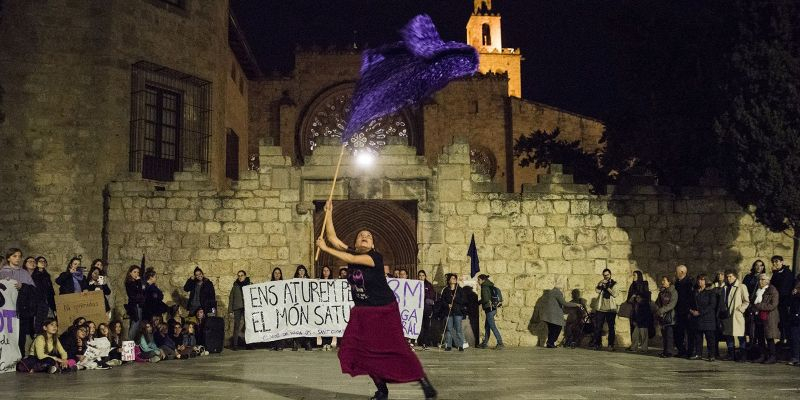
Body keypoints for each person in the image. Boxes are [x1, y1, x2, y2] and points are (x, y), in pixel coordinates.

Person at [316, 200, 437, 400]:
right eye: (361, 235)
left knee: (397, 349)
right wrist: (329, 213)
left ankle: (422, 380)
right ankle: (381, 390)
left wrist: (325, 249)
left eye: (368, 236)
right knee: (362, 353)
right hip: (362, 312)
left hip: (384, 311)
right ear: (355, 243)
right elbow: (333, 237)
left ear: (372, 244)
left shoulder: (375, 258)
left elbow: (351, 259)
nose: (364, 236)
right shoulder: (353, 252)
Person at [1, 248, 40, 355]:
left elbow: (34, 291)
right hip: (6, 311)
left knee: (20, 335)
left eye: (19, 256)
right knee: (7, 334)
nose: (18, 258)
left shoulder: (24, 273)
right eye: (14, 256)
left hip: (21, 310)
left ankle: (20, 357)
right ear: (8, 258)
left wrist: (23, 286)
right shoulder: (2, 272)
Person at [721, 269, 750, 362]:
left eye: (730, 276)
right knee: (729, 335)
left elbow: (747, 301)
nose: (728, 278)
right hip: (727, 315)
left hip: (737, 315)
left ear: (735, 277)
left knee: (740, 336)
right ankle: (731, 354)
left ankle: (743, 355)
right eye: (727, 276)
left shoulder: (741, 286)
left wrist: (740, 309)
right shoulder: (724, 287)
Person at [751, 273, 780, 364]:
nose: (760, 281)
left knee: (769, 337)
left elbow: (773, 305)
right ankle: (763, 355)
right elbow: (753, 302)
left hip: (769, 317)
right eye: (759, 279)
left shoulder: (773, 290)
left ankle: (772, 356)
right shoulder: (758, 290)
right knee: (760, 336)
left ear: (768, 280)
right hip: (758, 316)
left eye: (763, 279)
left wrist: (759, 306)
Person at [690, 274, 718, 361]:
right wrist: (691, 311)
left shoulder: (711, 291)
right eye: (698, 280)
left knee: (710, 338)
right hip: (697, 318)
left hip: (708, 318)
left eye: (702, 280)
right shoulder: (695, 291)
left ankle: (711, 355)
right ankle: (698, 354)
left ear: (706, 281)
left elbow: (712, 305)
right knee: (698, 337)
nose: (700, 281)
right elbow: (690, 302)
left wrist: (700, 312)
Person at [769, 255, 795, 345]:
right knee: (780, 322)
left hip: (784, 302)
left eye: (777, 261)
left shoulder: (787, 273)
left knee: (784, 322)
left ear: (782, 262)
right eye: (773, 262)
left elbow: (783, 289)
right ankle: (782, 340)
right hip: (778, 302)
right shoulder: (777, 273)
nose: (775, 263)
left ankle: (786, 342)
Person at [439, 273, 467, 352]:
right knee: (448, 329)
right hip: (448, 312)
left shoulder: (460, 289)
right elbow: (442, 301)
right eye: (452, 278)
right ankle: (448, 345)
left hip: (457, 312)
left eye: (454, 278)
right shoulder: (445, 290)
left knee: (458, 330)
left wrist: (455, 299)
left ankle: (460, 345)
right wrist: (447, 305)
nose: (453, 279)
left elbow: (463, 300)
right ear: (448, 280)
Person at [476, 274, 504, 349]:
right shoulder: (491, 286)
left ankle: (500, 342)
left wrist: (478, 302)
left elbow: (485, 299)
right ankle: (485, 343)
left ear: (482, 280)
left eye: (478, 280)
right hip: (493, 308)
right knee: (487, 326)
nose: (478, 281)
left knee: (492, 326)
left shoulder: (484, 287)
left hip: (489, 309)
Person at [593, 268, 618, 351]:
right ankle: (597, 344)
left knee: (611, 328)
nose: (605, 276)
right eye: (604, 275)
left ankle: (610, 345)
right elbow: (597, 291)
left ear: (610, 274)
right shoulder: (602, 282)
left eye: (607, 275)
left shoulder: (614, 284)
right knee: (598, 327)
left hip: (611, 309)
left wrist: (607, 287)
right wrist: (600, 284)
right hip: (601, 309)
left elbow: (615, 294)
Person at [673, 265, 695, 357]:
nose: (675, 273)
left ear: (682, 272)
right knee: (678, 332)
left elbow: (690, 298)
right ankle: (681, 351)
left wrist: (689, 310)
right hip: (678, 312)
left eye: (676, 271)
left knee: (689, 333)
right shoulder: (677, 282)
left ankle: (689, 352)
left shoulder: (689, 283)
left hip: (686, 312)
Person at [625, 270, 650, 345]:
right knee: (633, 326)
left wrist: (638, 296)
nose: (633, 277)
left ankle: (643, 345)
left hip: (642, 310)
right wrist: (632, 297)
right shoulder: (632, 285)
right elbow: (628, 298)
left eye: (635, 275)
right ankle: (634, 345)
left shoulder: (644, 284)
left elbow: (646, 296)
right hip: (634, 309)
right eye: (633, 275)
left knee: (643, 327)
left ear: (639, 276)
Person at [656, 275, 677, 358]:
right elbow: (658, 303)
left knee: (669, 335)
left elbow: (672, 304)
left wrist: (662, 311)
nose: (662, 282)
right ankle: (665, 351)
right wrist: (658, 310)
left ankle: (669, 352)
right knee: (664, 335)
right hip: (662, 316)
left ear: (669, 282)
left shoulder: (673, 292)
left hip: (670, 316)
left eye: (664, 280)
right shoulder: (662, 292)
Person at [228, 269, 250, 351]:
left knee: (248, 326)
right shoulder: (235, 286)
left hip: (247, 307)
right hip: (237, 307)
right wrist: (230, 310)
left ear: (245, 276)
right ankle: (235, 344)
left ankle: (248, 344)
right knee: (236, 326)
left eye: (242, 275)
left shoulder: (249, 284)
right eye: (239, 275)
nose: (240, 277)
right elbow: (231, 298)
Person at [316, 266, 337, 351]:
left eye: (327, 270)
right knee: (322, 323)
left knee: (330, 323)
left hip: (331, 305)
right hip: (321, 305)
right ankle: (324, 342)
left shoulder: (334, 282)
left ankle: (329, 342)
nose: (325, 272)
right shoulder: (318, 282)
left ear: (330, 272)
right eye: (324, 270)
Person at [629, 286, 653, 353]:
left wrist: (641, 322)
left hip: (643, 323)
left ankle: (644, 349)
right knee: (635, 336)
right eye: (636, 297)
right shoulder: (636, 304)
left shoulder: (645, 305)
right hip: (638, 323)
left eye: (638, 297)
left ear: (642, 298)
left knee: (644, 337)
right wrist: (634, 321)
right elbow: (630, 302)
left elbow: (646, 315)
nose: (637, 299)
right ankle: (633, 348)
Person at [125, 265, 145, 340]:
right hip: (134, 305)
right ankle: (129, 341)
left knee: (136, 323)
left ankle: (131, 341)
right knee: (135, 323)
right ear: (130, 273)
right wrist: (139, 281)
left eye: (138, 272)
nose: (136, 274)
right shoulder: (130, 283)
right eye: (134, 272)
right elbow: (138, 292)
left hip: (138, 304)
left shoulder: (134, 282)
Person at [268, 267, 285, 351]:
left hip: (281, 308)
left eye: (279, 273)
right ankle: (273, 344)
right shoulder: (269, 284)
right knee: (273, 327)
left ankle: (280, 345)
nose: (277, 274)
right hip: (273, 309)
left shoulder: (284, 284)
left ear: (281, 274)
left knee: (280, 327)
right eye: (275, 273)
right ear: (273, 275)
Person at [417, 269, 436, 350]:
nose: (421, 277)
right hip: (417, 309)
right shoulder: (415, 284)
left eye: (423, 276)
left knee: (426, 326)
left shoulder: (429, 285)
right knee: (418, 326)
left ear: (425, 276)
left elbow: (431, 297)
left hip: (426, 309)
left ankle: (425, 342)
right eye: (420, 276)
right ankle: (418, 341)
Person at [788, 280, 800, 365]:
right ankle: (795, 357)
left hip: (797, 314)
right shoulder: (795, 283)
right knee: (794, 337)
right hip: (794, 316)